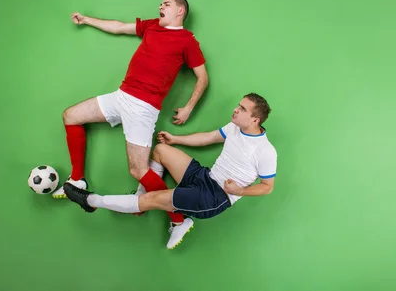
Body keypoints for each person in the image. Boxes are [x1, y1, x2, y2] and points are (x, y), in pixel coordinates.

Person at [53, 0, 209, 230]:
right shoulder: (152, 26)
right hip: (121, 96)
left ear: (180, 11)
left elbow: (203, 77)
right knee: (71, 116)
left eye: (166, 4)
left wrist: (188, 107)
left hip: (143, 107)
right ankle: (77, 179)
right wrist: (86, 19)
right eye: (161, 3)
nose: (160, 6)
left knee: (138, 170)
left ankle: (180, 220)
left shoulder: (187, 40)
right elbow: (118, 27)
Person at [61, 93, 278, 249]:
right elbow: (209, 137)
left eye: (242, 109)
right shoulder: (235, 127)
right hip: (205, 177)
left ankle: (90, 201)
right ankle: (163, 211)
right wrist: (176, 139)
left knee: (152, 199)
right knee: (161, 150)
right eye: (238, 105)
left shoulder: (265, 151)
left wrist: (239, 191)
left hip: (215, 196)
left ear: (255, 120)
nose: (236, 109)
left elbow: (267, 187)